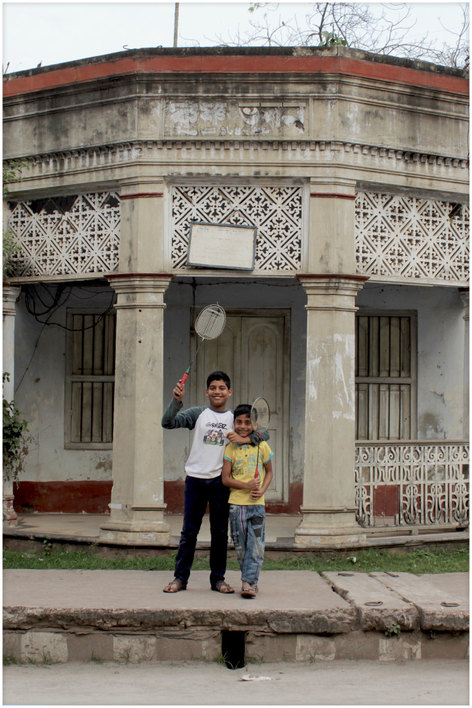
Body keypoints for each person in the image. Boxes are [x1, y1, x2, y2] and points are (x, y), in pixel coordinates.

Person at [161, 371, 269, 594]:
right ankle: (180, 578)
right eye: (213, 388)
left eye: (222, 388)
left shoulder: (234, 419)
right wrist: (176, 401)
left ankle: (217, 579)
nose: (217, 391)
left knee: (219, 533)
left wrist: (245, 439)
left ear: (230, 392)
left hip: (221, 483)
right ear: (206, 391)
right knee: (189, 532)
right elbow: (167, 422)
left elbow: (264, 435)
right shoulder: (198, 414)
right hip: (196, 480)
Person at [222, 403, 273, 599]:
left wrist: (262, 489)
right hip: (237, 506)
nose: (243, 426)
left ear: (255, 424)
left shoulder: (262, 445)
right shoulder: (230, 448)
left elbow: (269, 472)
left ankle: (248, 583)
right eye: (239, 422)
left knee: (257, 545)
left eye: (248, 422)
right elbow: (225, 479)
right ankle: (249, 581)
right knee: (242, 547)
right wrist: (246, 486)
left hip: (257, 506)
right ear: (233, 423)